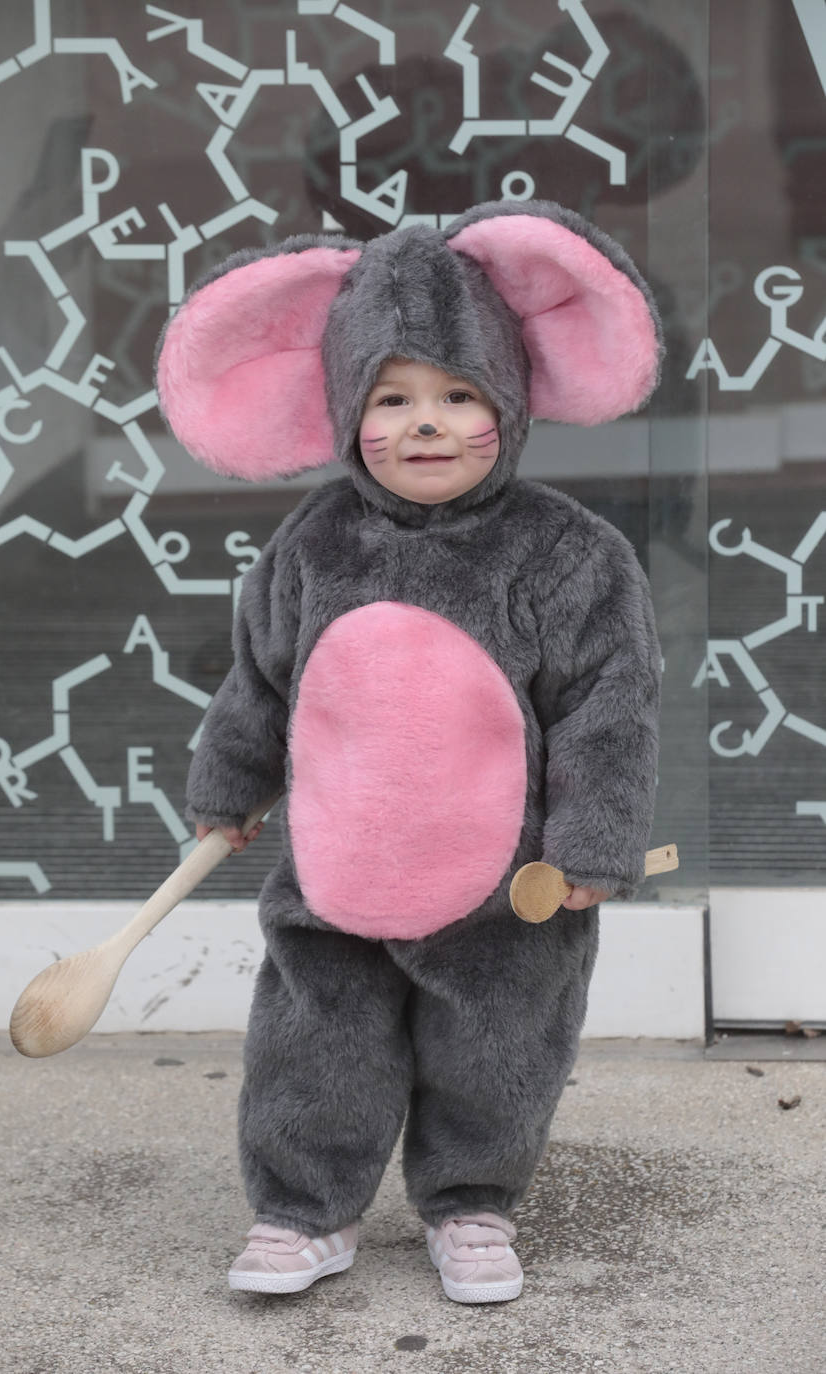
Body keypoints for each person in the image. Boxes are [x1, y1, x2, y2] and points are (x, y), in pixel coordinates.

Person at [155, 199, 663, 1303]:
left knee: (499, 1045)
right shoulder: (310, 546)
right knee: (313, 1040)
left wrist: (590, 839)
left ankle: (471, 1201)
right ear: (342, 409)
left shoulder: (566, 554)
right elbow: (261, 682)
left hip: (502, 885)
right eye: (391, 398)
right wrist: (230, 785)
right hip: (336, 870)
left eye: (456, 395)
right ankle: (303, 1207)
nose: (423, 424)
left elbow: (607, 706)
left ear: (511, 402)